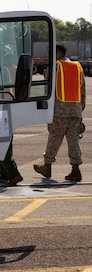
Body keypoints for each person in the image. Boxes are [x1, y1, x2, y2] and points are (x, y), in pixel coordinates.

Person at [34, 43, 86, 182]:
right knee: (73, 141)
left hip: (59, 111)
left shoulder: (55, 67)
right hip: (75, 111)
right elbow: (83, 90)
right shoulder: (77, 67)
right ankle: (76, 169)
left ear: (58, 54)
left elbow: (47, 85)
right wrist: (80, 110)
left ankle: (47, 166)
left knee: (54, 138)